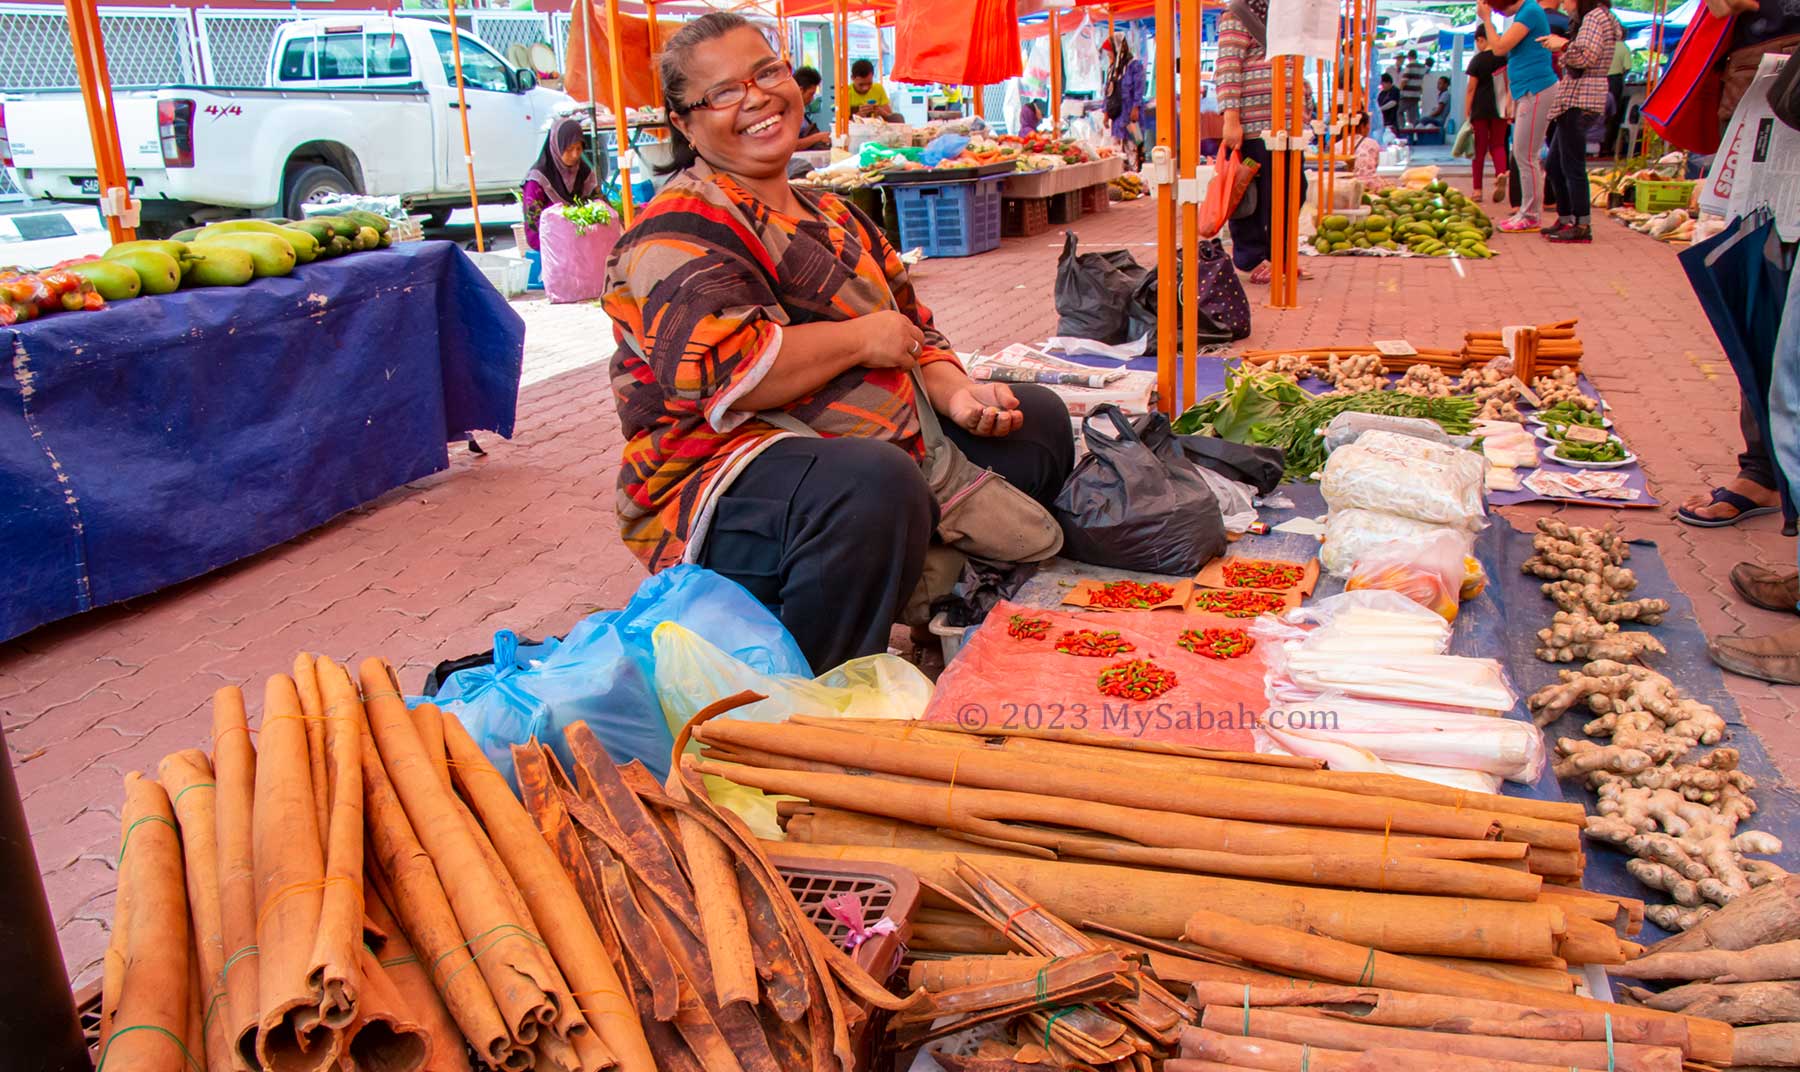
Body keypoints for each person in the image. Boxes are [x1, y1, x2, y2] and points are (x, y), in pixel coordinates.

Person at [602, 13, 1075, 672]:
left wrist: (959, 394)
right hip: (719, 475)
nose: (759, 98)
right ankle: (825, 684)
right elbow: (723, 374)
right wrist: (858, 340)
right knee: (871, 486)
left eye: (766, 72)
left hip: (877, 444)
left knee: (1039, 424)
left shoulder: (831, 212)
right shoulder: (677, 229)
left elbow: (913, 328)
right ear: (684, 123)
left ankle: (936, 598)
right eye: (724, 93)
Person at [1218, 0, 1312, 285]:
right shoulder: (1238, 14)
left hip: (1286, 125)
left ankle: (1278, 255)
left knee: (1292, 189)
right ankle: (1252, 258)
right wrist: (1231, 119)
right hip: (1254, 125)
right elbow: (1228, 68)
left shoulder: (1284, 17)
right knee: (1253, 195)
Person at [1541, 0, 1624, 243]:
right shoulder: (1599, 18)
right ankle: (1566, 217)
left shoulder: (1595, 18)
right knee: (1554, 163)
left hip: (1581, 98)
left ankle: (1581, 224)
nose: (1564, 4)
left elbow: (1587, 57)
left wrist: (1563, 45)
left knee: (1571, 165)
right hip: (1576, 98)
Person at [1478, 0, 1560, 232]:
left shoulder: (1530, 11)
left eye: (1496, 9)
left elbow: (1499, 48)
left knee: (1526, 156)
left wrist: (1486, 20)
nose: (1496, 13)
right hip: (1527, 91)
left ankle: (1531, 215)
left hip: (1537, 90)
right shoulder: (1526, 12)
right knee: (1523, 154)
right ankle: (1527, 212)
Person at [520, 116, 599, 251]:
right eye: (569, 149)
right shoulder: (538, 179)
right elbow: (533, 228)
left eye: (579, 149)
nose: (575, 155)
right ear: (556, 147)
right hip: (552, 249)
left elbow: (599, 202)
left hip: (583, 246)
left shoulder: (584, 173)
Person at [1466, 23, 1512, 203]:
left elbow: (1471, 89)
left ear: (1481, 39)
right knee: (1498, 145)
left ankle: (1477, 191)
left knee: (1479, 150)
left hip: (1480, 110)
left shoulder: (1477, 60)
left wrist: (1467, 111)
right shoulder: (1504, 58)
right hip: (1500, 108)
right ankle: (1500, 173)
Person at [1102, 34, 1148, 168]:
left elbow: (1139, 88)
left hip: (1131, 115)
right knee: (1117, 152)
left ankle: (1135, 178)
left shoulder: (1134, 66)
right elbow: (1108, 92)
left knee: (1133, 147)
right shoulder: (1112, 70)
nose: (1108, 56)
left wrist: (1136, 107)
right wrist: (1106, 114)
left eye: (1109, 53)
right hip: (1117, 117)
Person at [1603, 34, 1633, 156]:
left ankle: (1597, 144)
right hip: (1615, 81)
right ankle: (1607, 146)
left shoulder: (1601, 45)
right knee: (1613, 114)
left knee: (1596, 113)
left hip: (1599, 78)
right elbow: (1628, 67)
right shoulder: (1622, 46)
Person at [792, 66, 832, 152]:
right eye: (811, 94)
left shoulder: (801, 112)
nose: (812, 99)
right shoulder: (787, 114)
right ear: (800, 90)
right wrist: (818, 137)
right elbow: (789, 146)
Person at [1399, 49, 1428, 125]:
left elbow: (1404, 80)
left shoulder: (1409, 66)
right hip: (1416, 94)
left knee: (1398, 111)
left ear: (1409, 57)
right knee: (1413, 117)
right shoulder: (1422, 67)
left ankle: (1401, 128)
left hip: (1407, 95)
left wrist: (1399, 90)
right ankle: (1412, 132)